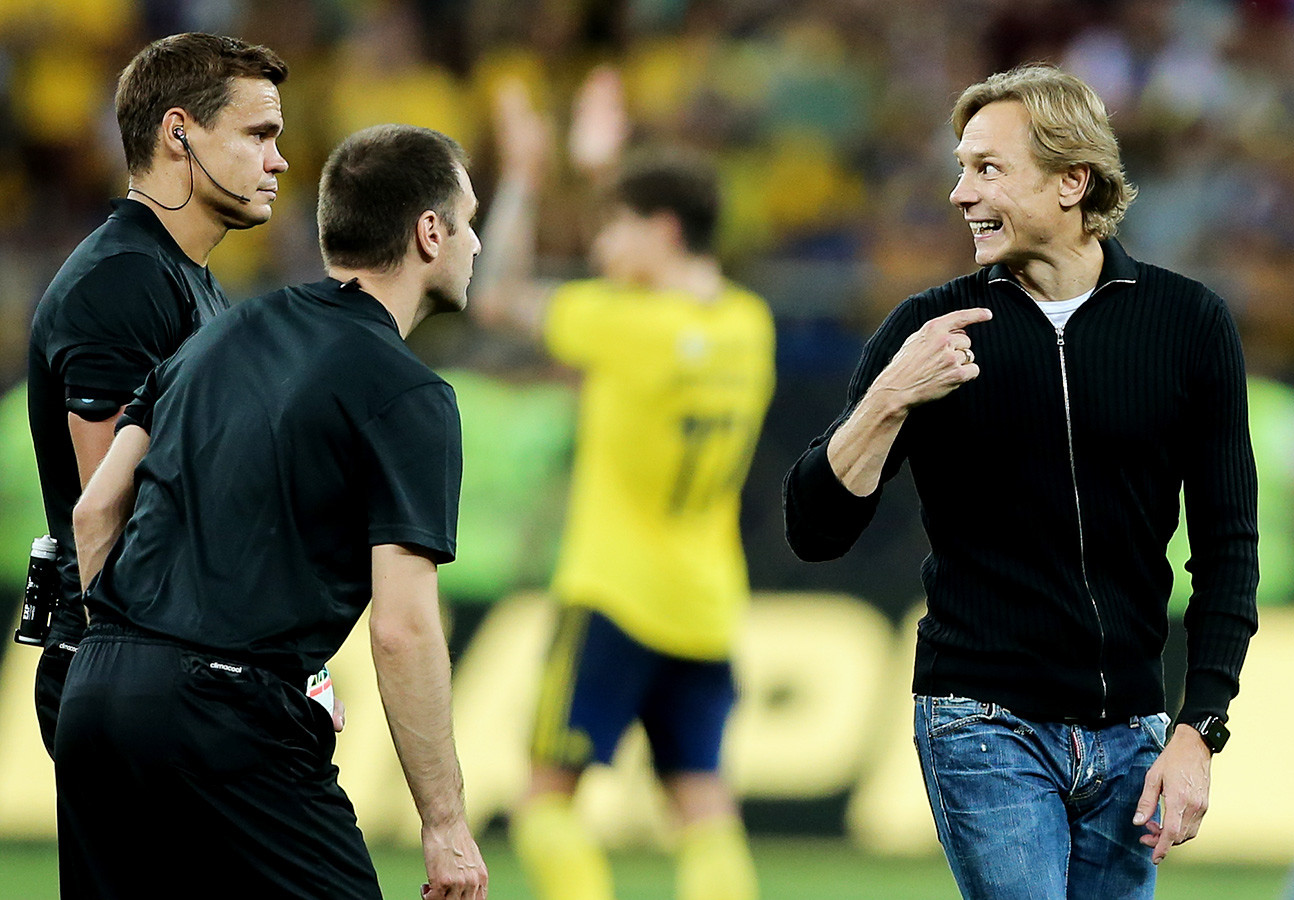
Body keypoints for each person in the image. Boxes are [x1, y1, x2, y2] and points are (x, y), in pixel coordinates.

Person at [784, 63, 1258, 899]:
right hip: (983, 720)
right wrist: (890, 398)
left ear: (1073, 181)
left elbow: (1228, 549)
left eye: (987, 169)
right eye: (962, 168)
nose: (961, 193)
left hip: (1134, 734)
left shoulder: (1188, 324)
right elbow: (814, 532)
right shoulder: (931, 332)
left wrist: (1199, 730)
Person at [55, 124, 487, 899]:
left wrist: (127, 654)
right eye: (469, 220)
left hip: (99, 694)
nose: (477, 244)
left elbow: (95, 513)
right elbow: (403, 627)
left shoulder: (218, 333)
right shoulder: (408, 392)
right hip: (229, 716)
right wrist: (445, 823)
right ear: (430, 232)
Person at [471, 69, 772, 900]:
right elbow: (645, 268)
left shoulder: (624, 326)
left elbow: (493, 295)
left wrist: (529, 176)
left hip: (610, 592)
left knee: (545, 807)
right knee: (704, 808)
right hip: (707, 602)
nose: (602, 246)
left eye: (616, 228)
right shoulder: (749, 325)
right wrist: (608, 172)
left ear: (663, 230)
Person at [25, 32, 294, 756]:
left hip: (179, 661)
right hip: (142, 671)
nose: (279, 161)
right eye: (258, 134)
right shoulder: (123, 281)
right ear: (180, 132)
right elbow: (113, 515)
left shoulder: (188, 281)